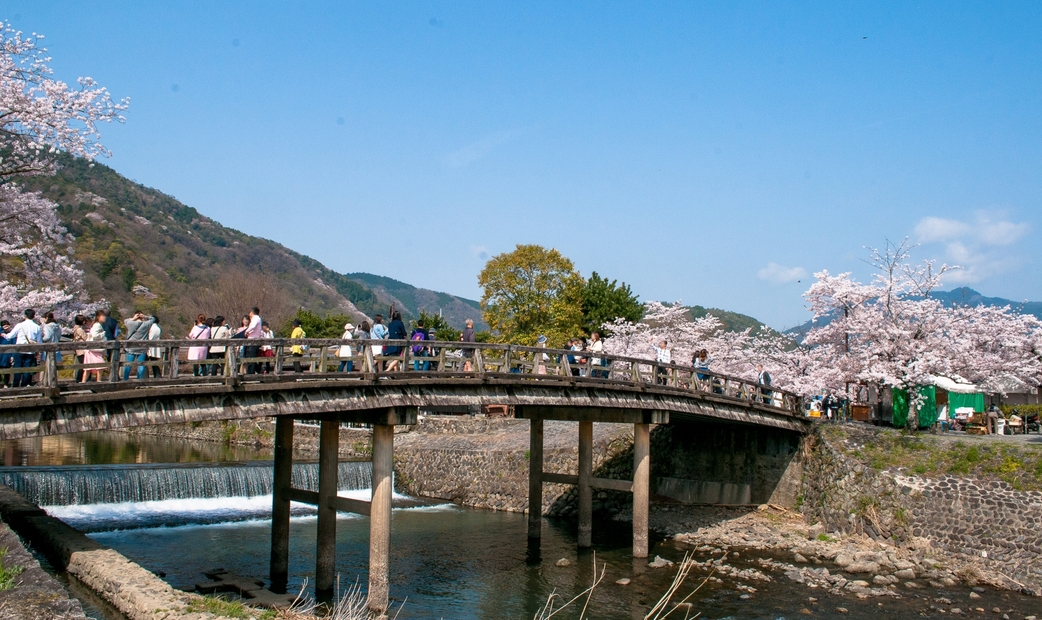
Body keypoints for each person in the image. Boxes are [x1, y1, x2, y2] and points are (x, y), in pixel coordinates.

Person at [11, 309, 43, 387]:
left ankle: (15, 386)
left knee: (17, 368)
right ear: (34, 316)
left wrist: (3, 335)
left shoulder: (19, 325)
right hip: (30, 351)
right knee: (27, 369)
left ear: (25, 316)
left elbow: (10, 336)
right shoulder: (37, 327)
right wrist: (38, 351)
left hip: (19, 350)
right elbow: (39, 341)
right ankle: (24, 386)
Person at [123, 311, 156, 380]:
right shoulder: (146, 324)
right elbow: (153, 319)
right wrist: (145, 316)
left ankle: (125, 379)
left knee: (128, 364)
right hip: (142, 348)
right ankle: (139, 379)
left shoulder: (131, 323)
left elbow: (125, 321)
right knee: (141, 365)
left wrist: (133, 318)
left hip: (131, 347)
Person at [82, 317, 107, 382]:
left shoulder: (92, 327)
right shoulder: (96, 326)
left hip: (90, 349)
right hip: (93, 350)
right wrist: (103, 333)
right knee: (100, 365)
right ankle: (98, 380)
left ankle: (83, 382)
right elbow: (95, 335)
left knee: (88, 368)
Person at [244, 307, 263, 374]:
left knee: (251, 357)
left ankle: (251, 373)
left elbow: (252, 326)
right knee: (250, 357)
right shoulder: (258, 319)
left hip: (253, 340)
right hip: (253, 340)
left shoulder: (255, 318)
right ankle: (257, 371)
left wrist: (246, 331)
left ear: (252, 313)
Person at [71, 315, 88, 382]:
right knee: (82, 365)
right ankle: (79, 379)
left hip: (78, 348)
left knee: (81, 364)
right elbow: (86, 338)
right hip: (81, 349)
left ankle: (79, 379)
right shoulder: (79, 329)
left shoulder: (75, 328)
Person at [0, 320, 14, 387]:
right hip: (0, 355)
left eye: (7, 326)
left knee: (7, 370)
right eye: (4, 326)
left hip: (7, 355)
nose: (6, 328)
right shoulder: (0, 334)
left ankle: (6, 383)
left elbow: (14, 345)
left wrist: (12, 356)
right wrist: (1, 328)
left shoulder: (11, 334)